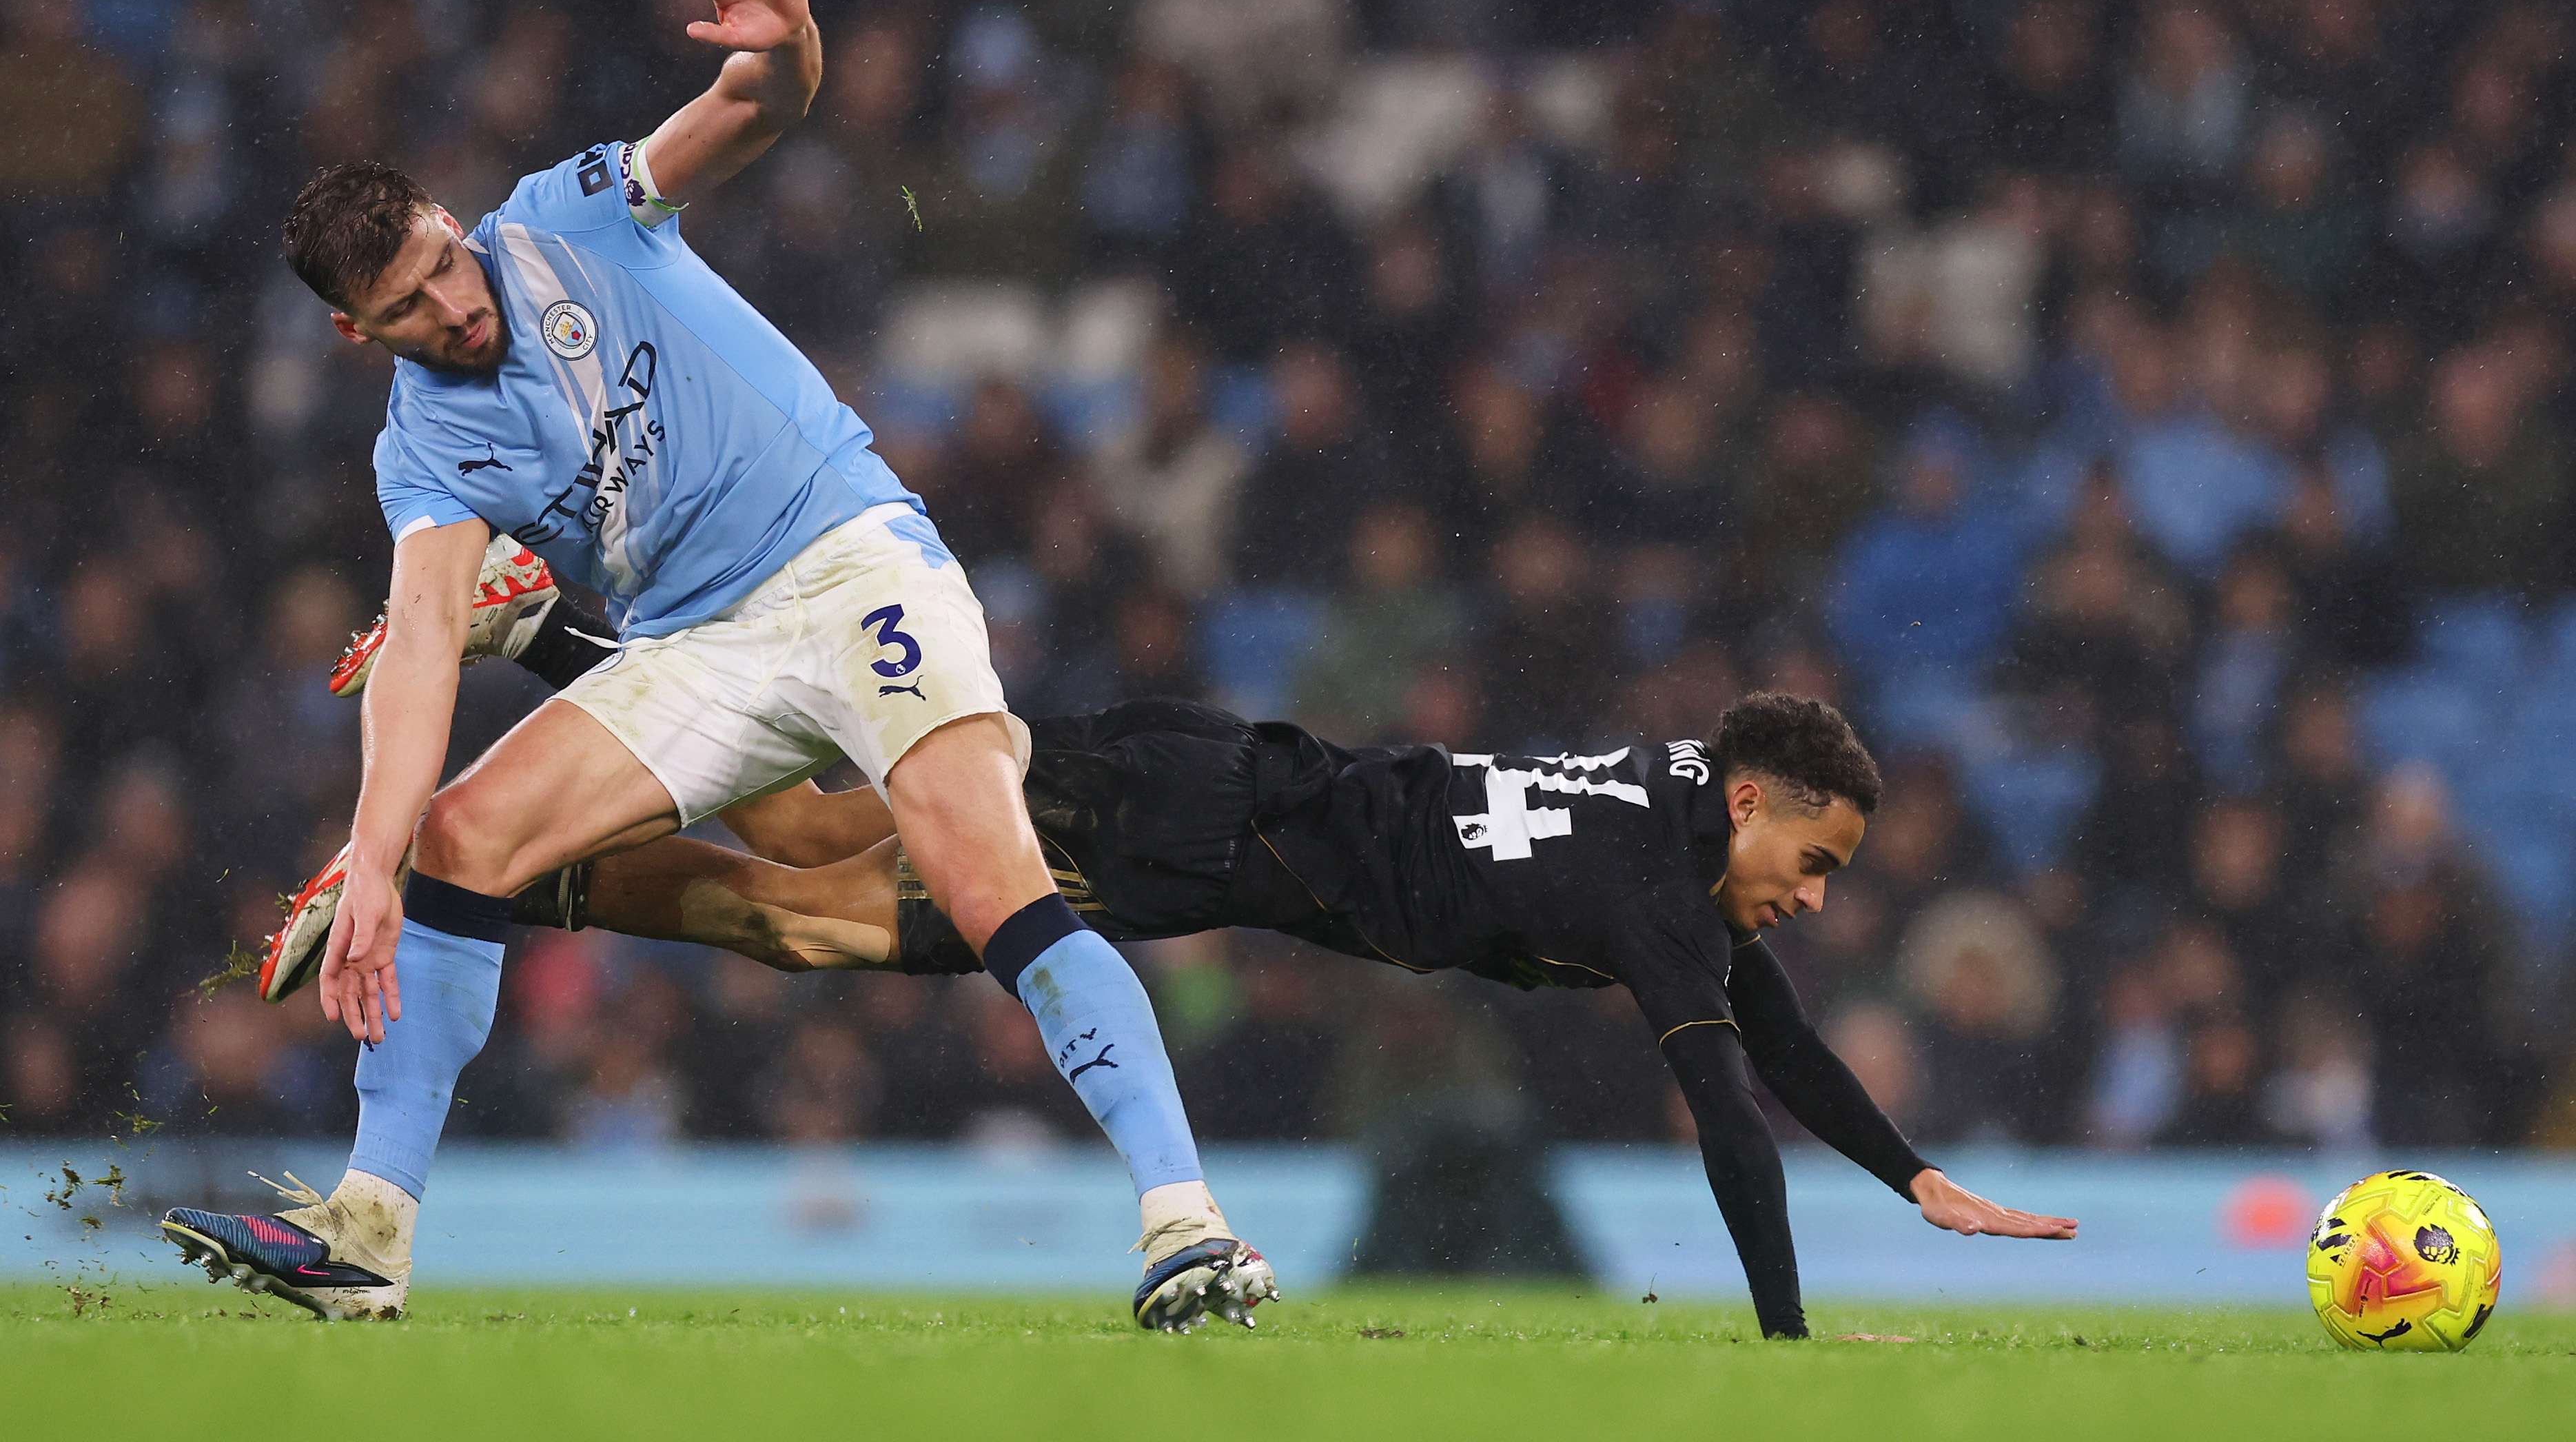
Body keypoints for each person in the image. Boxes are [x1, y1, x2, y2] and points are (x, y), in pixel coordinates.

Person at [159, 0, 1272, 1333]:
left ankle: (1192, 1225)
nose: (452, 305)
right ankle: (369, 1233)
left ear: (451, 216)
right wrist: (377, 861)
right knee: (460, 841)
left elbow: (758, 110)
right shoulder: (424, 454)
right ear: (349, 331)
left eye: (444, 264)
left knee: (983, 887)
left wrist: (789, 43)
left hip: (848, 560)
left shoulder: (565, 212)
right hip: (701, 643)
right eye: (407, 311)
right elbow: (419, 645)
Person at [274, 573, 2078, 1339]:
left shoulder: (1681, 806)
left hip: (1211, 804)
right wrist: (1784, 1341)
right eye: (1818, 863)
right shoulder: (1663, 890)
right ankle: (546, 644)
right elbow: (1726, 1104)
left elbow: (1770, 1036)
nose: (1818, 899)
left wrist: (1916, 1178)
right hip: (1205, 816)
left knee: (803, 899)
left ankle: (512, 869)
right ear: (1754, 801)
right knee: (818, 869)